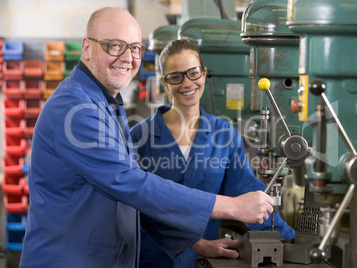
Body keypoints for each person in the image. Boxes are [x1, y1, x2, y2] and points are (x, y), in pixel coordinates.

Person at [19, 7, 275, 268]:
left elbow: (133, 200)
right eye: (115, 45)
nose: (128, 57)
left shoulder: (107, 105)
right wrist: (232, 207)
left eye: (135, 48)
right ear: (87, 48)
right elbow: (130, 183)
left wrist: (194, 243)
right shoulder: (75, 109)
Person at [130, 40, 296, 268]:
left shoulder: (223, 134)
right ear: (164, 83)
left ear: (204, 73)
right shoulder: (139, 136)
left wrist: (287, 237)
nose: (187, 83)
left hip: (202, 262)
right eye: (176, 76)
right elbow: (133, 204)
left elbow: (246, 191)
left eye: (193, 72)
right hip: (151, 259)